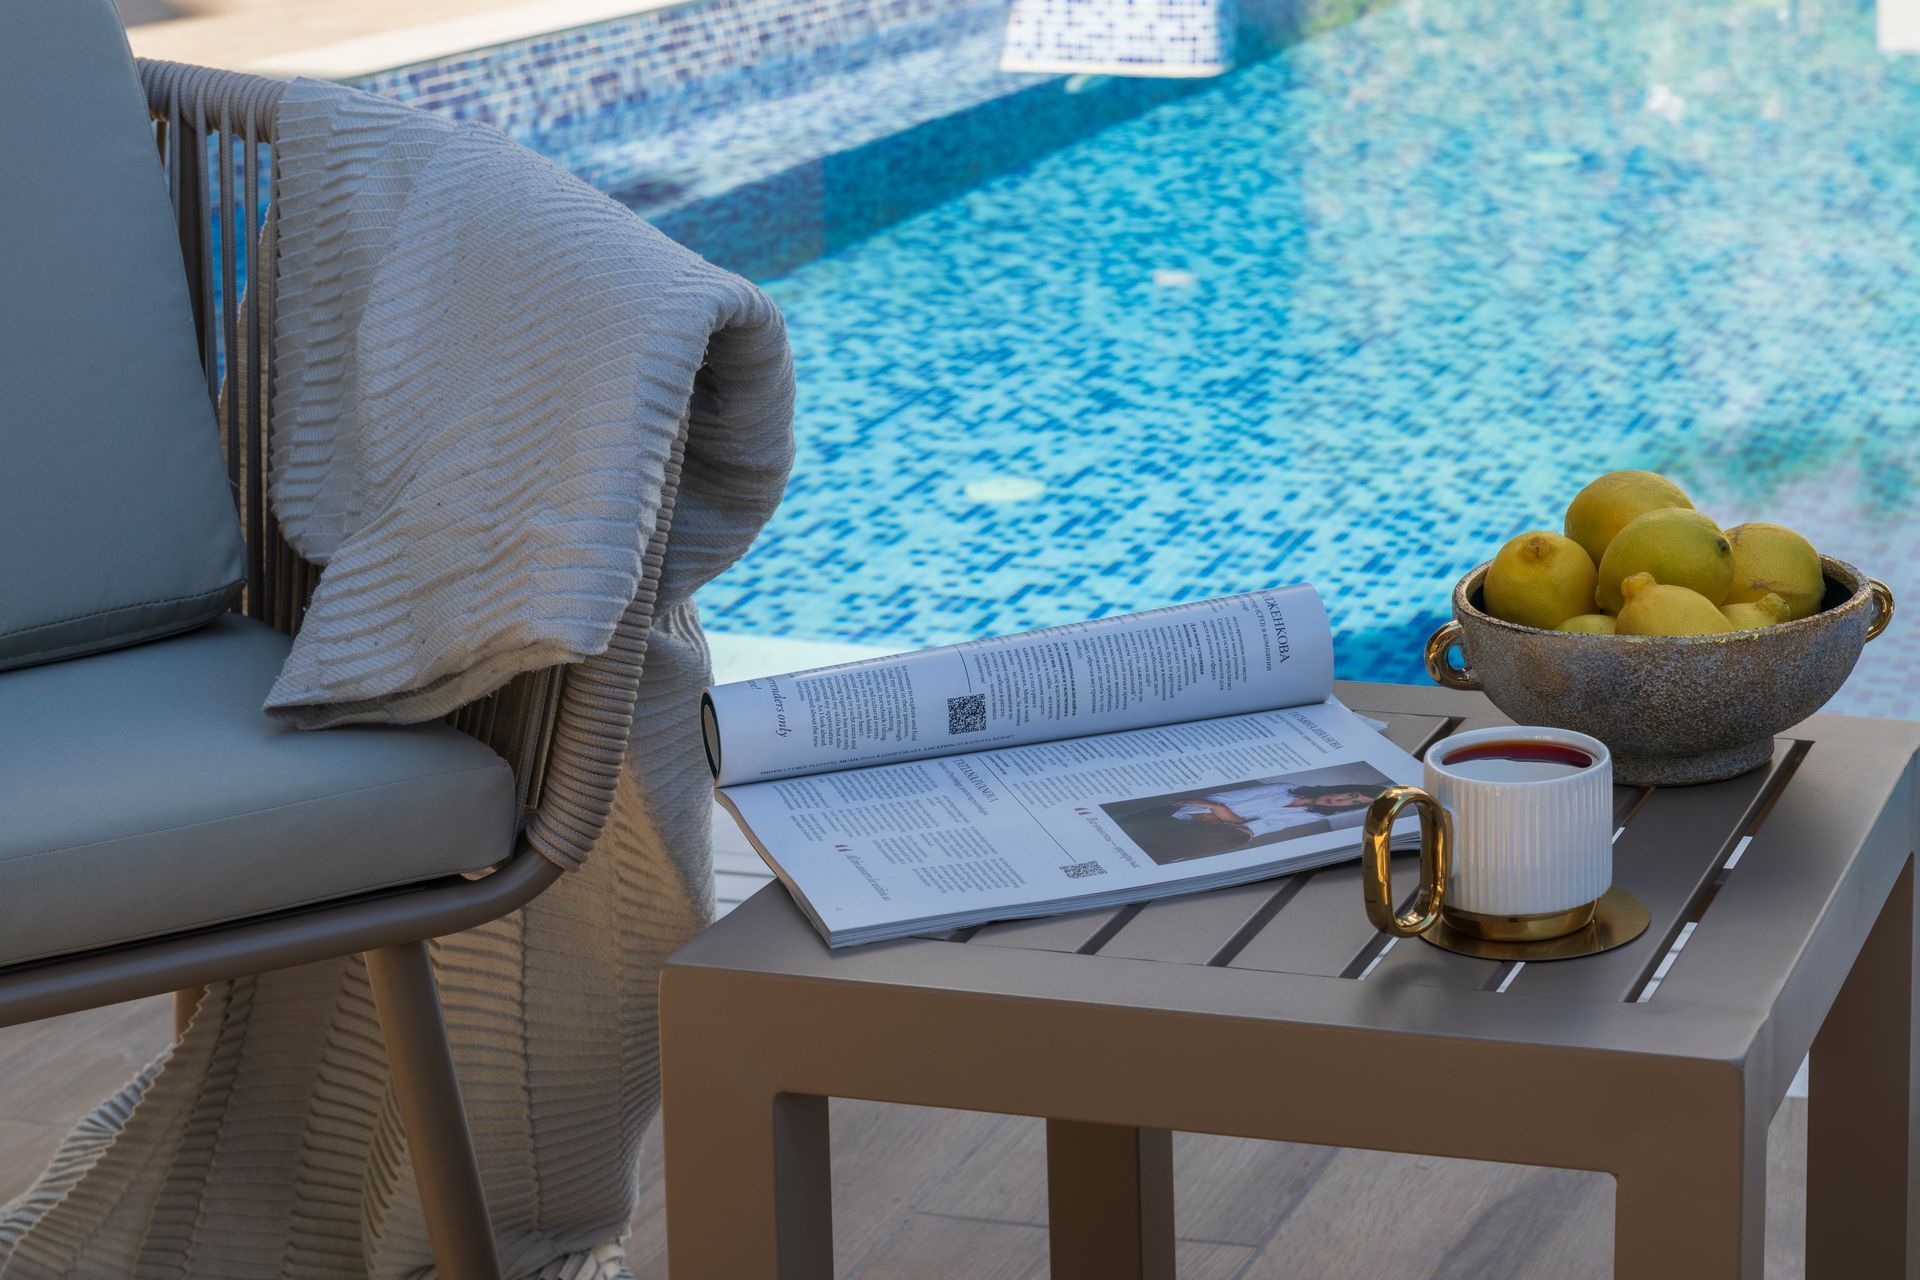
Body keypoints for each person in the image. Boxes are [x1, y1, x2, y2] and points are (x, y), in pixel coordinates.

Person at [1170, 781, 1382, 842]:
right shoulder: (1282, 788)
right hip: (1180, 814)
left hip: (1196, 831)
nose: (1341, 801)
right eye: (1351, 794)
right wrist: (1222, 812)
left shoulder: (1311, 816)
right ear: (1342, 787)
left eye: (1353, 804)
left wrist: (1222, 813)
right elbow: (1220, 799)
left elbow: (1253, 829)